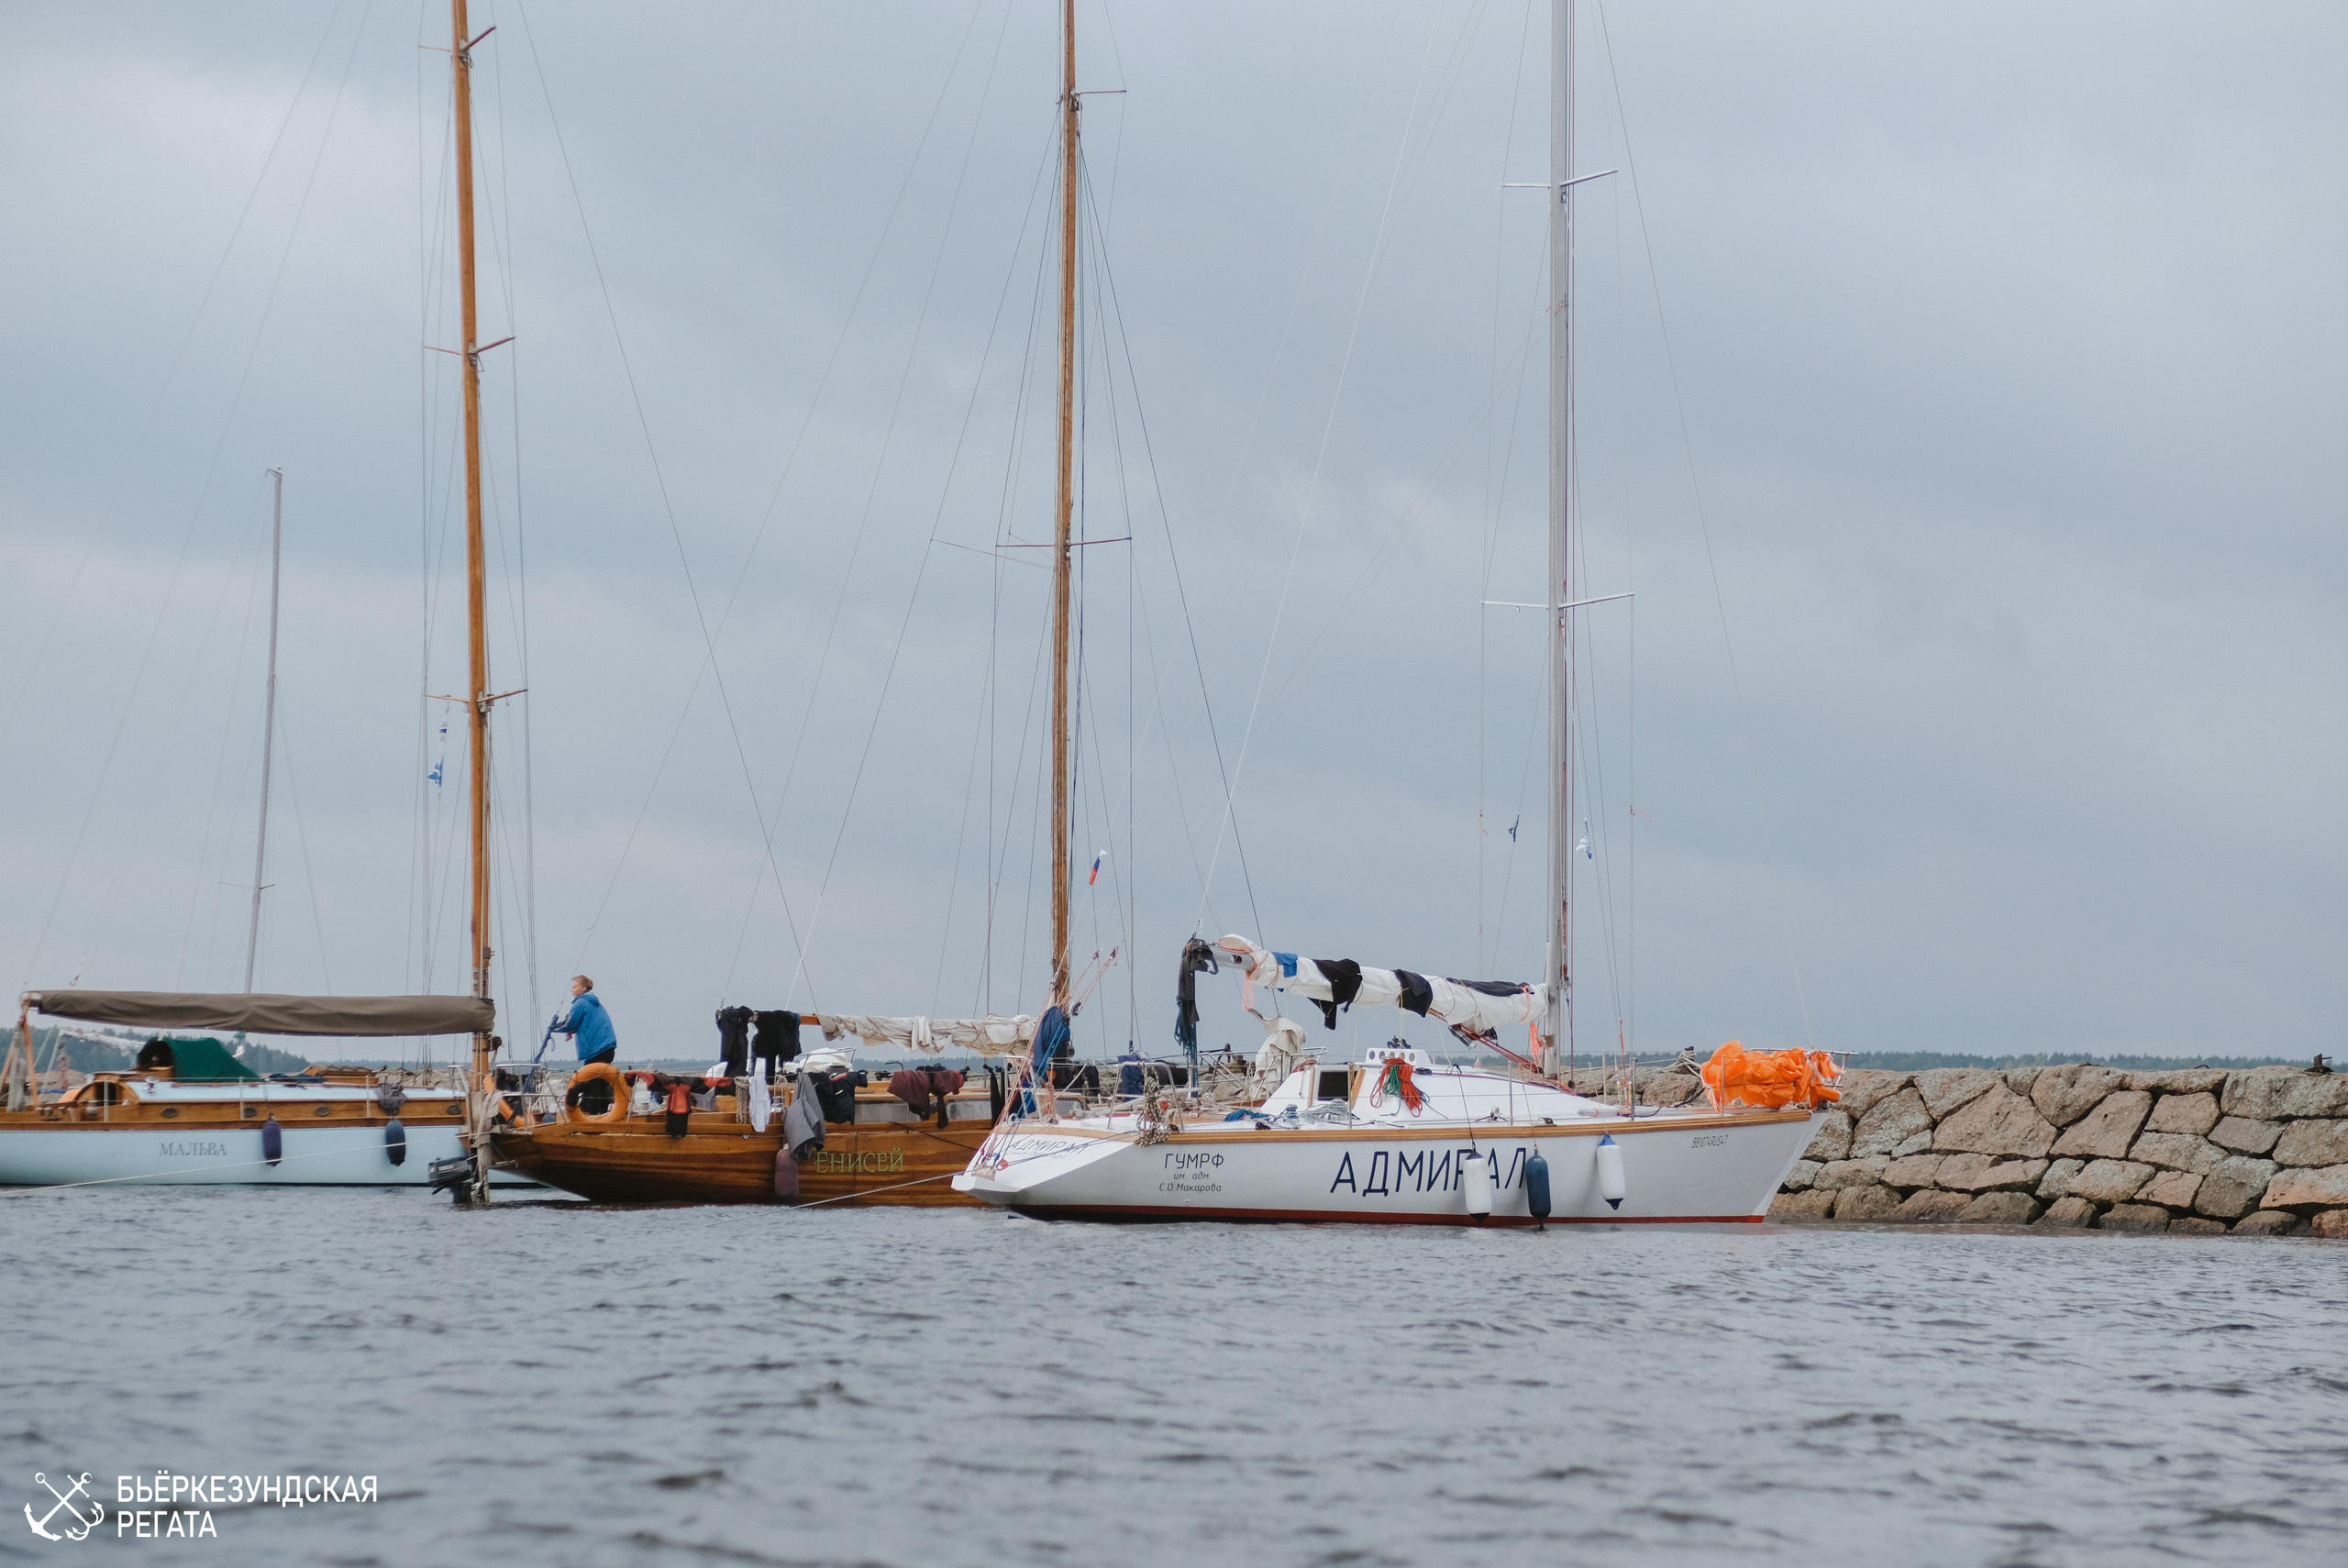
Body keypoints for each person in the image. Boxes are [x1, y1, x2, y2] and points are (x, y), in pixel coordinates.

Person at [558, 975, 618, 1066]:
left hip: (597, 1050)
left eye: (574, 987)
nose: (571, 990)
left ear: (583, 988)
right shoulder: (592, 1002)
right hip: (607, 1047)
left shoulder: (580, 1003)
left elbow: (570, 1024)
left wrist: (553, 1028)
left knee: (589, 1078)